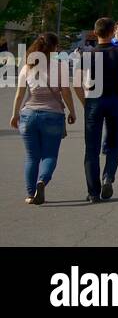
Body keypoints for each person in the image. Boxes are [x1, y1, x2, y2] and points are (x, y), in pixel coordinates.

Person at [9, 33, 77, 205]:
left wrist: (15, 114)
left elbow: (20, 94)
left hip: (28, 115)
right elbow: (66, 92)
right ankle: (43, 180)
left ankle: (31, 194)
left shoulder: (28, 67)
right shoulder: (60, 66)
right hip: (53, 115)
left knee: (32, 157)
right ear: (54, 48)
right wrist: (72, 111)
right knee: (50, 155)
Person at [76, 17, 118, 202]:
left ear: (95, 33)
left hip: (94, 101)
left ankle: (93, 192)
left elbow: (77, 83)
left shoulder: (87, 55)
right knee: (113, 143)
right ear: (112, 32)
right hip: (115, 100)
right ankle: (108, 176)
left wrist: (85, 103)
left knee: (91, 148)